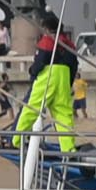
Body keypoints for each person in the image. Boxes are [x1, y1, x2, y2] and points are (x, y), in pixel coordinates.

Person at [14, 24, 78, 157]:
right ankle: (68, 148)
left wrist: (32, 72)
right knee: (64, 114)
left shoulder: (46, 41)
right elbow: (74, 66)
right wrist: (68, 83)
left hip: (48, 75)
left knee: (32, 108)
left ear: (47, 29)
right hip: (64, 77)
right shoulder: (69, 45)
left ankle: (16, 140)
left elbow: (39, 62)